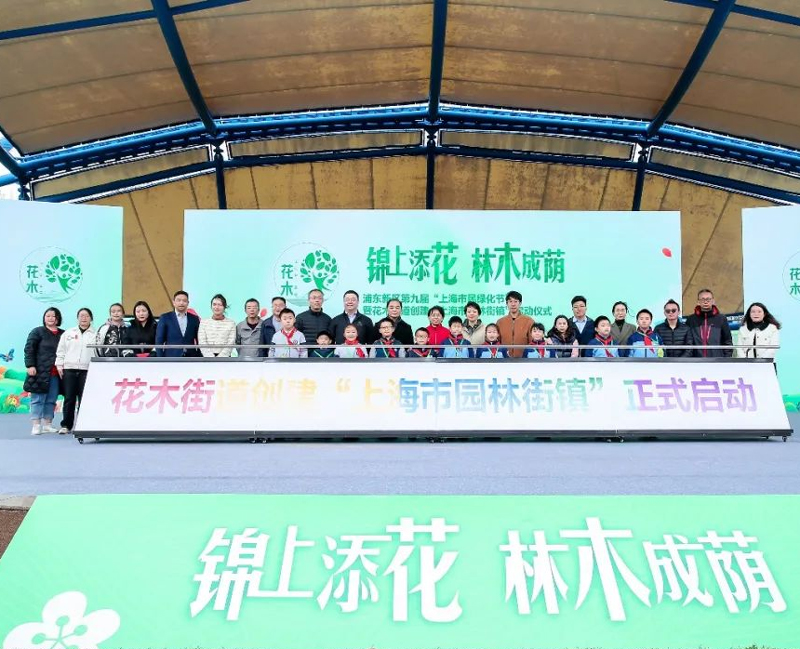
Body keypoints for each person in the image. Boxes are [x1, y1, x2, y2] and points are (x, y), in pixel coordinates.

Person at [56, 307, 97, 433]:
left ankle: (82, 425)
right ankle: (66, 425)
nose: (84, 318)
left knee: (84, 398)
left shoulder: (96, 334)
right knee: (69, 398)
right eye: (81, 316)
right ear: (77, 318)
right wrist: (59, 365)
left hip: (87, 370)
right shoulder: (68, 333)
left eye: (86, 316)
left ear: (91, 318)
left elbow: (98, 352)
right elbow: (61, 350)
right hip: (69, 369)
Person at [24, 307, 64, 435]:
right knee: (37, 399)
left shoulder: (64, 334)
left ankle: (48, 424)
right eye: (48, 316)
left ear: (58, 318)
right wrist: (30, 365)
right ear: (44, 318)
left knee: (51, 399)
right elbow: (29, 349)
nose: (51, 318)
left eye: (54, 316)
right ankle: (36, 425)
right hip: (39, 371)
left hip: (56, 373)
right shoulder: (37, 332)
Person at [685, 289, 733, 357]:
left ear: (713, 301)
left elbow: (727, 341)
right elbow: (687, 342)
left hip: (717, 360)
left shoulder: (721, 319)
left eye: (708, 299)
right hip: (696, 360)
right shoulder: (691, 320)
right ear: (698, 302)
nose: (705, 302)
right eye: (703, 299)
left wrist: (726, 358)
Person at [155, 290, 201, 357]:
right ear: (174, 302)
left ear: (188, 303)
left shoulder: (194, 319)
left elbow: (199, 339)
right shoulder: (165, 318)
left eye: (184, 301)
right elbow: (159, 340)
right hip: (171, 357)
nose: (181, 303)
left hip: (191, 357)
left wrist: (199, 356)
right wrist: (160, 359)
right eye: (178, 300)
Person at [496, 291, 534, 358]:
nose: (513, 304)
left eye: (515, 301)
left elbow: (533, 342)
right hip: (504, 360)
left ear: (520, 303)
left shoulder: (529, 321)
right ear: (507, 303)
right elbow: (496, 342)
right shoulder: (500, 322)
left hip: (524, 360)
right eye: (510, 301)